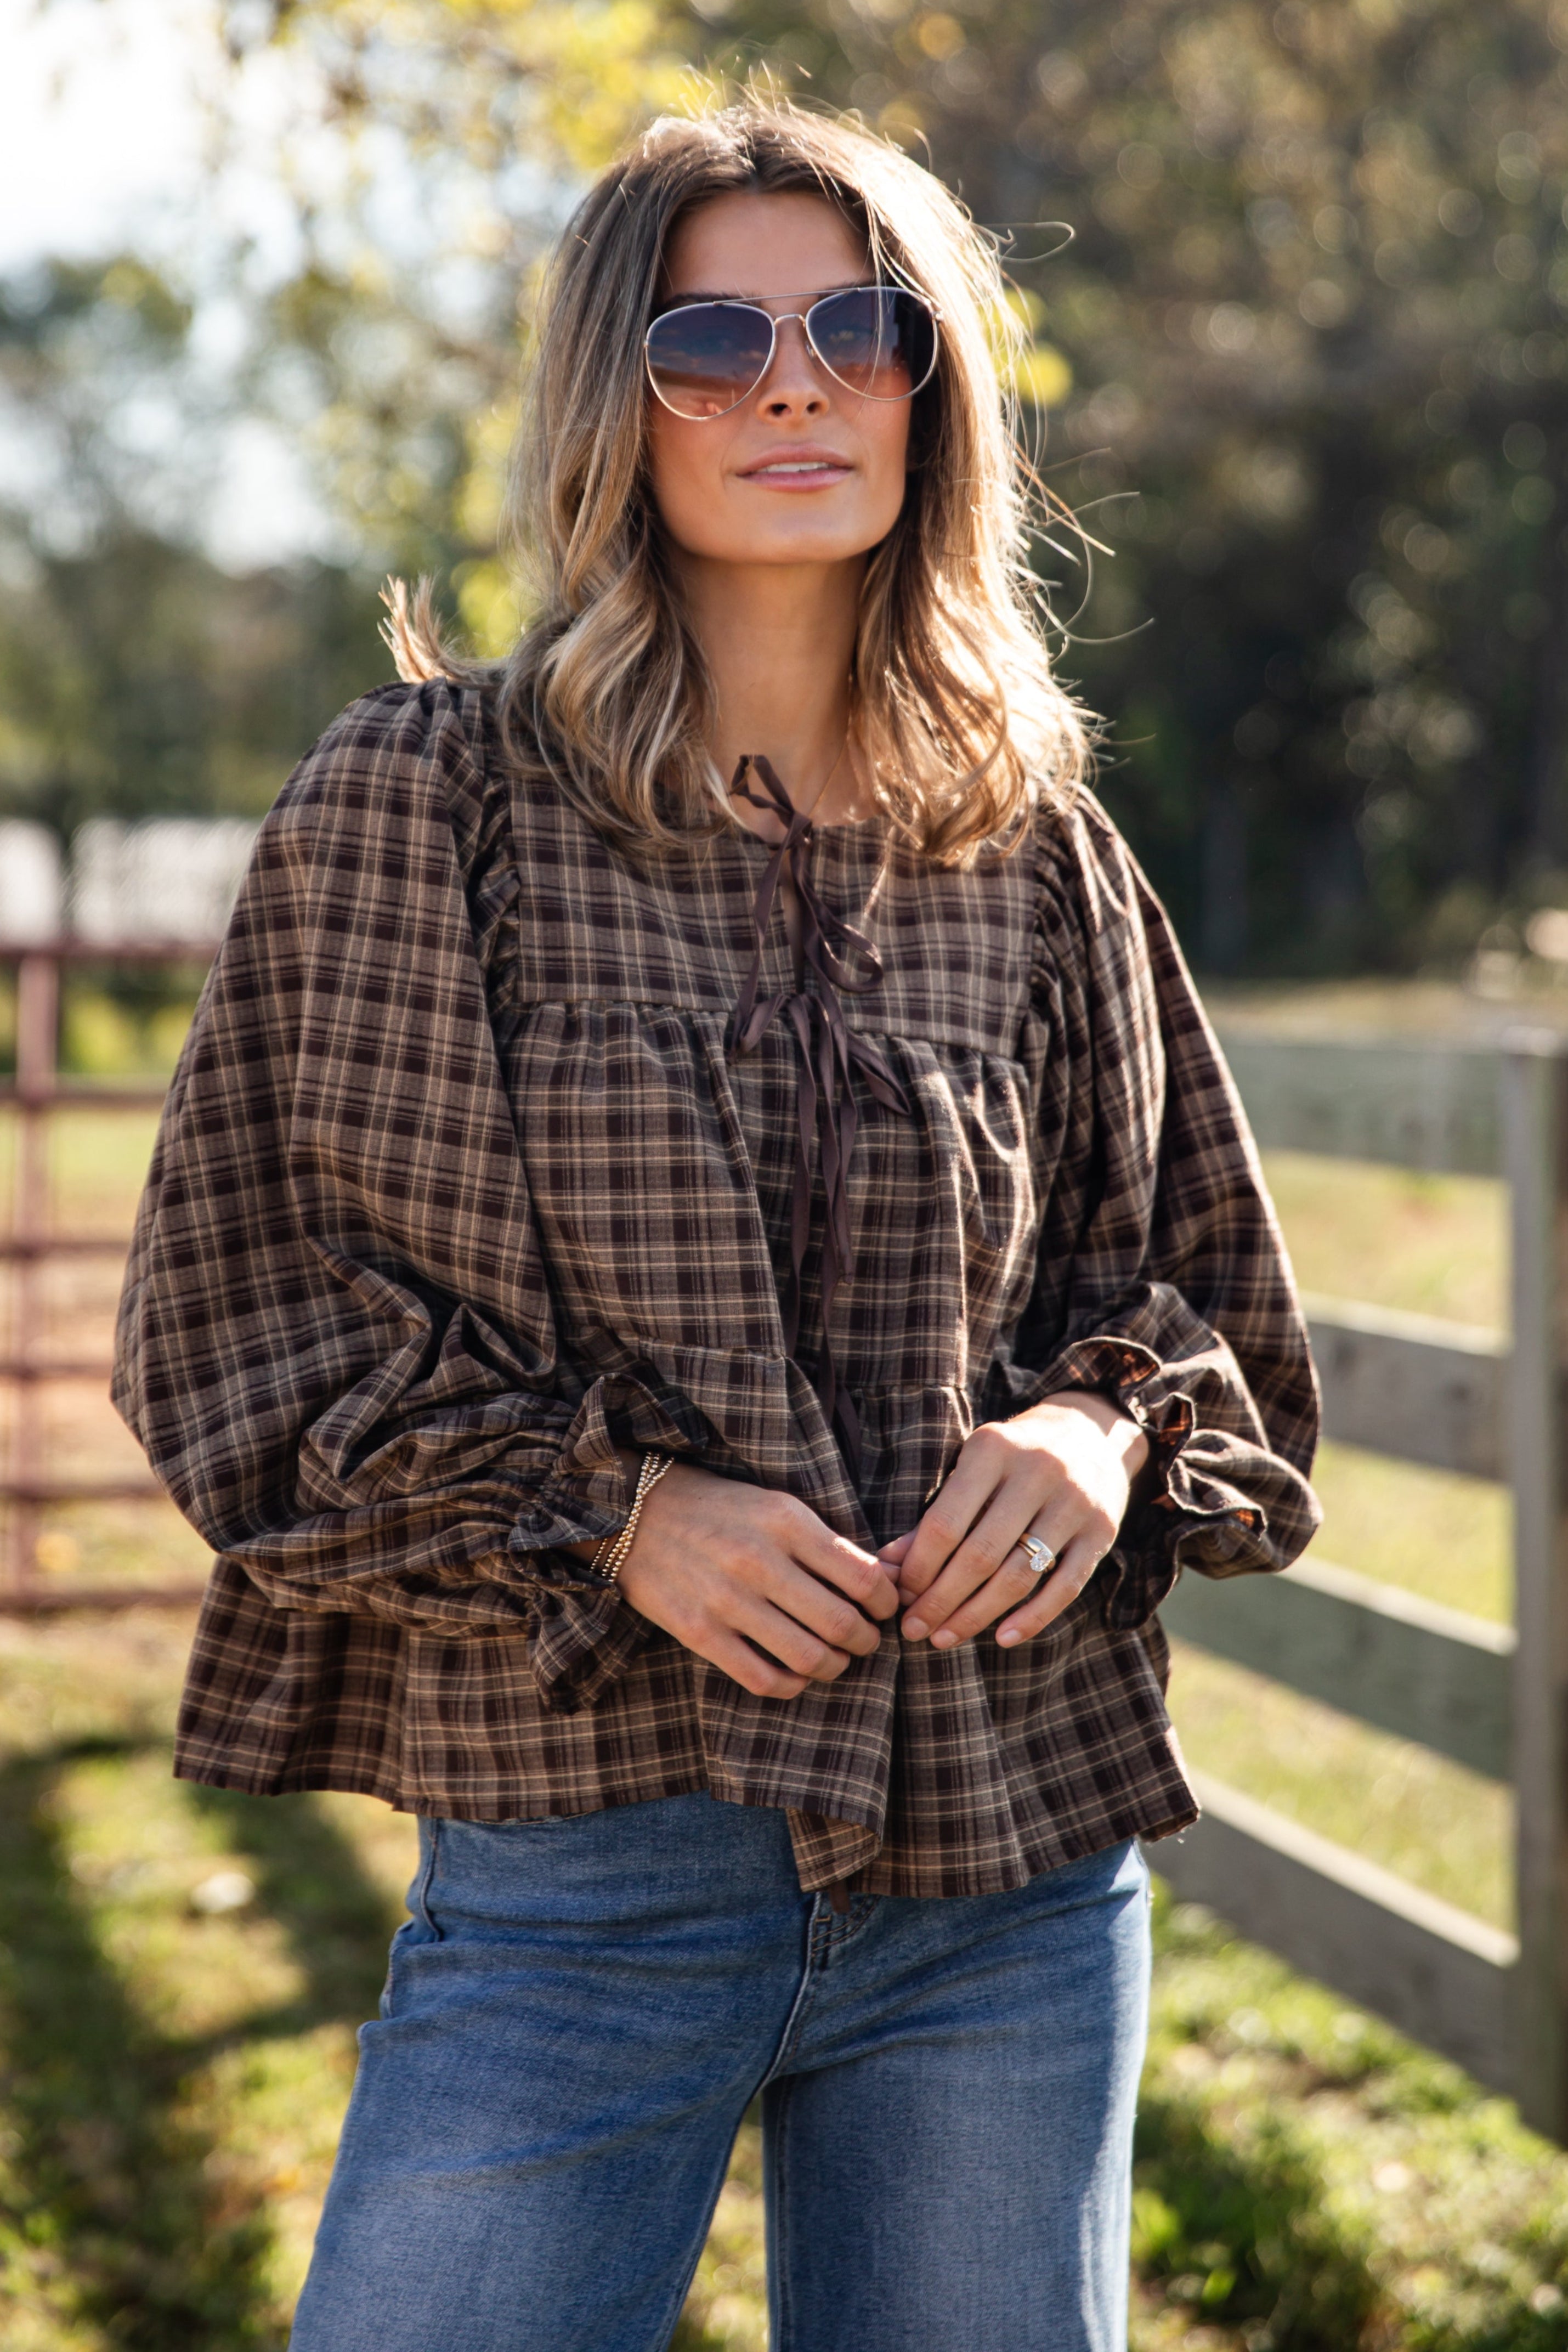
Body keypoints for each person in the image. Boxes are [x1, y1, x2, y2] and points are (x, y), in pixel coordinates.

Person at [114, 97, 1319, 2352]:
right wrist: (613, 1511)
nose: (795, 382)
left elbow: (1197, 1299)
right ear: (614, 401)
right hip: (589, 1868)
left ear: (931, 386)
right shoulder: (428, 804)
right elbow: (236, 1321)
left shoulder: (1033, 846)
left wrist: (1091, 1428)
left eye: (860, 327)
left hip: (1008, 1862)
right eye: (712, 336)